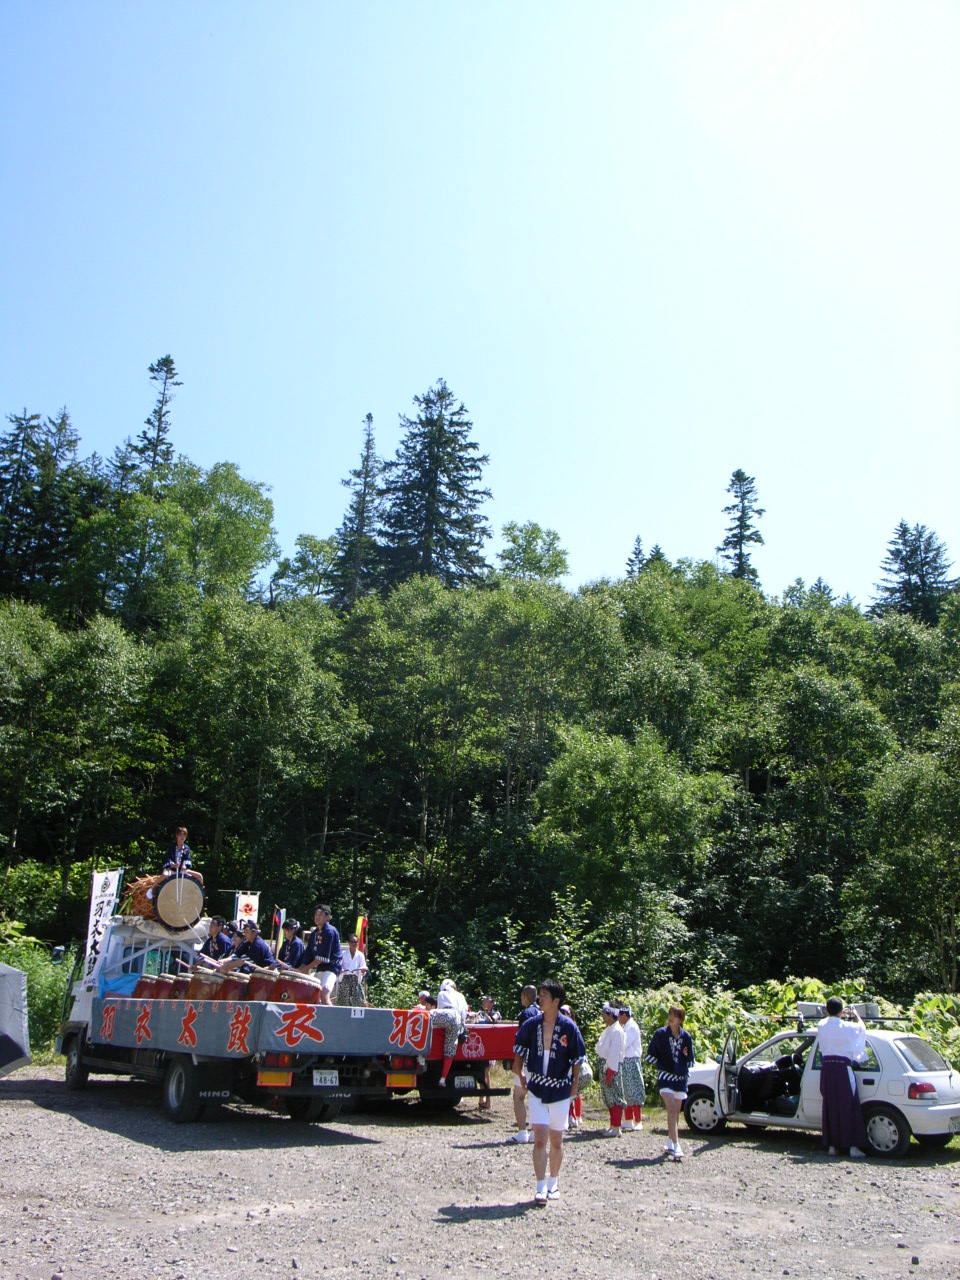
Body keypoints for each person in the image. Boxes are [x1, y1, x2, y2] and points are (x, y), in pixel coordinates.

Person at [512, 979, 587, 1206]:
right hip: (536, 1087)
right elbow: (518, 1053)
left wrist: (574, 1085)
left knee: (556, 1139)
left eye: (545, 995)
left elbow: (577, 1058)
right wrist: (520, 1074)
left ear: (556, 1001)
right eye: (540, 995)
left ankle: (554, 1181)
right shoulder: (531, 1024)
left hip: (560, 1089)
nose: (540, 999)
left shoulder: (568, 1027)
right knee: (540, 1138)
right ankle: (540, 1185)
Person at [818, 997, 868, 1159]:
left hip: (827, 1069)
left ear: (827, 1010)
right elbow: (861, 1029)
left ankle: (832, 1146)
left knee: (830, 1106)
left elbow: (828, 1021)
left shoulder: (821, 1026)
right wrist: (855, 1015)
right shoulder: (847, 1027)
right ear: (841, 1011)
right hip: (842, 1069)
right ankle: (853, 1146)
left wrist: (838, 1013)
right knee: (850, 1106)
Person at [646, 1004, 694, 1160]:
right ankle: (677, 1145)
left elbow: (688, 1057)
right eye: (670, 1014)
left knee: (674, 1113)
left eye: (675, 1015)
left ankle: (670, 1141)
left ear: (680, 1019)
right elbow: (653, 1051)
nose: (671, 1017)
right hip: (665, 1076)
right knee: (673, 1109)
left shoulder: (686, 1036)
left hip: (680, 1078)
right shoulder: (660, 1034)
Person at [507, 984, 539, 1144]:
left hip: (527, 1060)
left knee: (518, 1096)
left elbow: (521, 1041)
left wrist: (517, 1064)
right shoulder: (543, 1012)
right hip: (541, 1060)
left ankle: (522, 1132)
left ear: (525, 997)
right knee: (536, 1097)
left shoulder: (526, 1014)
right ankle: (535, 1133)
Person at [298, 905, 343, 1005]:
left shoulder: (329, 932)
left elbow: (321, 958)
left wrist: (306, 969)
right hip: (321, 968)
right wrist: (300, 968)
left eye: (321, 914)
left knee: (324, 994)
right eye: (316, 914)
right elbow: (308, 954)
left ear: (328, 917)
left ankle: (333, 1020)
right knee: (313, 994)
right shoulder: (314, 933)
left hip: (332, 967)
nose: (317, 917)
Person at [596, 1002, 627, 1137]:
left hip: (611, 1066)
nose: (603, 1016)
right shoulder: (610, 1029)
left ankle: (616, 1127)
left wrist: (611, 1072)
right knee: (609, 1097)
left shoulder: (616, 1031)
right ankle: (612, 1125)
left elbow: (614, 1053)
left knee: (614, 1097)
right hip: (606, 1065)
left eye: (605, 1013)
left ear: (610, 1015)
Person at [433, 978, 469, 1087]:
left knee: (426, 1017)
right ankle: (442, 1079)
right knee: (449, 1049)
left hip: (446, 1014)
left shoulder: (441, 994)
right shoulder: (461, 996)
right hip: (457, 1019)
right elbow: (464, 1013)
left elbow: (439, 1010)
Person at [618, 1004, 646, 1131]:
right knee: (626, 1091)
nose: (618, 1017)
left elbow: (624, 1043)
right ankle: (628, 1119)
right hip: (625, 1061)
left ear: (624, 1015)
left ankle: (638, 1120)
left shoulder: (632, 1027)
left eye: (619, 1015)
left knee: (634, 1089)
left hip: (632, 1061)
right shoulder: (626, 1026)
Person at [475, 995, 501, 1111]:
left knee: (486, 1073)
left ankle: (488, 1101)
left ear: (491, 1003)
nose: (484, 1003)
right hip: (480, 1046)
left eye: (486, 1001)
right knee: (481, 1073)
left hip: (489, 1047)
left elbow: (493, 1021)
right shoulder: (479, 1014)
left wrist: (487, 1014)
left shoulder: (496, 1013)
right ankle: (481, 1099)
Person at [561, 1004, 584, 1129]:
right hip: (567, 1062)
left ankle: (576, 1116)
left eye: (566, 1013)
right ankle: (571, 1116)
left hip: (574, 1062)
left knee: (575, 1089)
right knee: (570, 1090)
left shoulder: (573, 1028)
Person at [338, 933, 368, 1006]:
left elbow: (363, 966)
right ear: (349, 943)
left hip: (356, 978)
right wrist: (341, 969)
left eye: (355, 942)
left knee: (360, 1000)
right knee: (344, 1000)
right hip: (345, 977)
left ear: (357, 943)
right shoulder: (343, 953)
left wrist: (363, 971)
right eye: (352, 942)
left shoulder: (360, 955)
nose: (353, 943)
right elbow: (339, 965)